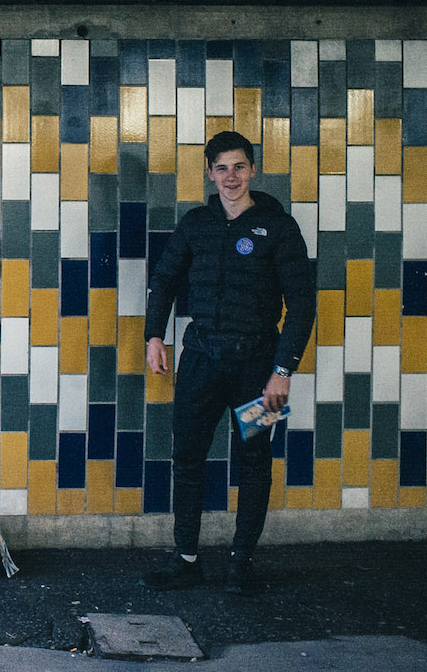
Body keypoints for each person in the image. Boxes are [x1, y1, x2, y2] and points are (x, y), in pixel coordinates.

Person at [141, 131, 316, 594]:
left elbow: (302, 303)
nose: (231, 176)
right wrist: (154, 336)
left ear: (253, 169)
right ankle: (186, 558)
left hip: (260, 368)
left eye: (239, 167)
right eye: (222, 168)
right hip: (200, 359)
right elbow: (165, 279)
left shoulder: (278, 227)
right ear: (209, 172)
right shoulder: (195, 223)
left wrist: (283, 371)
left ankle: (241, 562)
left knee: (255, 460)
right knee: (188, 457)